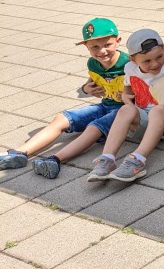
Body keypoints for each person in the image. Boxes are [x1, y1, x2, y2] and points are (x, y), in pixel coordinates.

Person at [0, 18, 128, 179]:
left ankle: (55, 160)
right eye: (95, 47)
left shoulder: (129, 63)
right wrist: (85, 88)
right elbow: (93, 81)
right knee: (61, 118)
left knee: (94, 127)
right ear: (86, 47)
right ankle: (20, 153)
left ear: (118, 41)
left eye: (107, 45)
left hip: (125, 111)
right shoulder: (93, 63)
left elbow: (145, 88)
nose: (102, 51)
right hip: (105, 106)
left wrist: (128, 96)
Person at [87, 29, 164, 182]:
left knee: (158, 110)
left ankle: (137, 160)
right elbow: (127, 91)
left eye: (159, 57)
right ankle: (107, 159)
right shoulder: (130, 69)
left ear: (163, 48)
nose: (155, 63)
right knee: (125, 109)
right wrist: (126, 99)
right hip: (145, 119)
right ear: (133, 60)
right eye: (147, 61)